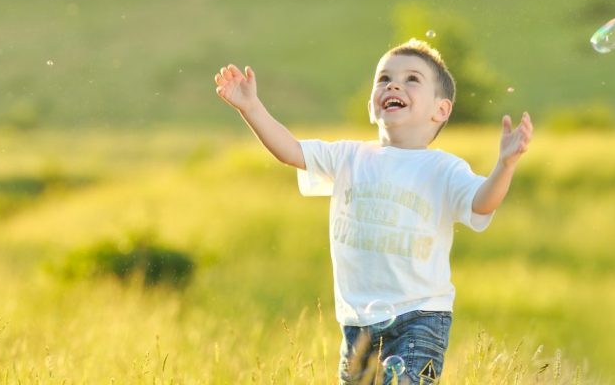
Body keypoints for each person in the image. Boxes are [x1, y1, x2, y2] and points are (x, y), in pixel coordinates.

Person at [213, 38, 533, 384]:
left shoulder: (443, 169)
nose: (394, 84)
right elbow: (290, 150)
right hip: (357, 321)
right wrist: (251, 107)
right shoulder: (349, 157)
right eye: (384, 79)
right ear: (371, 107)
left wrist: (505, 165)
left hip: (420, 316)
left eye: (412, 79)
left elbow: (482, 202)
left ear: (440, 110)